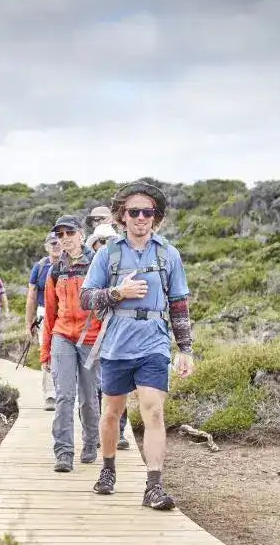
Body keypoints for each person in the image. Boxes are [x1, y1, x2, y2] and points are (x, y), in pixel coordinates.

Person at [80, 181, 195, 509]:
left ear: (156, 217)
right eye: (134, 211)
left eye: (148, 212)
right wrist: (118, 293)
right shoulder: (108, 254)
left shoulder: (168, 254)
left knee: (154, 410)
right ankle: (108, 468)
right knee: (112, 412)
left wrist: (185, 350)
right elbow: (87, 298)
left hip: (154, 343)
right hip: (116, 344)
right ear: (122, 216)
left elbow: (179, 304)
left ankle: (154, 485)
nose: (141, 217)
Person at [41, 215, 101, 473]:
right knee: (65, 395)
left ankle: (90, 442)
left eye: (70, 233)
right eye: (60, 235)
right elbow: (50, 314)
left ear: (81, 234)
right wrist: (45, 351)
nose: (65, 238)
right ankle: (63, 452)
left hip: (90, 338)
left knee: (89, 397)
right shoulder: (55, 269)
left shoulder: (98, 264)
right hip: (62, 336)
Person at [83, 210, 132, 451]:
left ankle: (119, 432)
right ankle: (91, 435)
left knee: (114, 386)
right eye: (99, 241)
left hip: (114, 334)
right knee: (90, 389)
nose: (103, 245)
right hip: (88, 335)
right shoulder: (84, 267)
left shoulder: (121, 265)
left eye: (107, 241)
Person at [26, 231, 63, 410]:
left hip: (67, 312)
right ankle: (50, 394)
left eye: (58, 242)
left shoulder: (72, 263)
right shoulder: (40, 266)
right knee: (47, 352)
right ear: (46, 246)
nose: (56, 245)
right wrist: (28, 323)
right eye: (52, 243)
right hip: (44, 313)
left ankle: (67, 393)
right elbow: (31, 295)